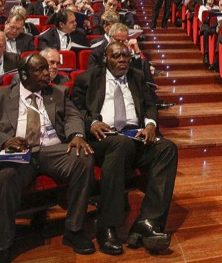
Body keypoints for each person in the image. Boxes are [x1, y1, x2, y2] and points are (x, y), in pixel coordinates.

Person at [0, 53, 96, 262]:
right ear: (23, 74)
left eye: (47, 68)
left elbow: (73, 116)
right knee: (5, 174)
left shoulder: (58, 92)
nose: (47, 73)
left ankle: (74, 230)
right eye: (40, 70)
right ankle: (2, 244)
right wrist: (4, 141)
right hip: (18, 153)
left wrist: (77, 135)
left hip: (52, 150)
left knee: (83, 157)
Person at [72, 42, 177, 254]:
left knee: (168, 148)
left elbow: (149, 106)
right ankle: (107, 226)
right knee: (120, 144)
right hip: (104, 138)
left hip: (134, 135)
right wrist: (92, 123)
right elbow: (76, 110)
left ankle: (147, 222)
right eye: (117, 56)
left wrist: (150, 125)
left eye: (126, 56)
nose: (122, 60)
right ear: (105, 59)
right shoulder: (88, 78)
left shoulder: (137, 77)